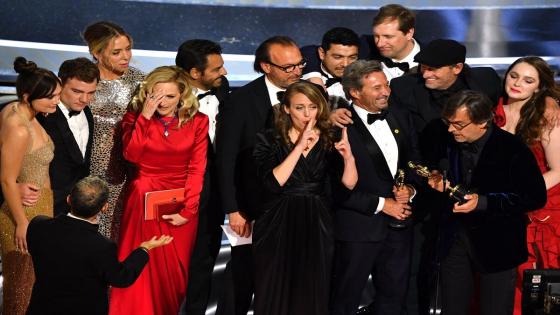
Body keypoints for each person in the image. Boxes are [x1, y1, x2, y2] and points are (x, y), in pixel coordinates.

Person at [388, 39, 502, 315]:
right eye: (423, 67)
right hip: (423, 187)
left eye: (433, 69)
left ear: (457, 68)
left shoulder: (487, 82)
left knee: (464, 270)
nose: (425, 73)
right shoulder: (404, 88)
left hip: (469, 193)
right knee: (417, 265)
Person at [426, 90, 547, 315]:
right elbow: (438, 168)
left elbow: (534, 196)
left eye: (458, 124)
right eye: (448, 122)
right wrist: (438, 182)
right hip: (454, 240)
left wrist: (483, 203)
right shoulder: (446, 140)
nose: (451, 129)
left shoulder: (512, 148)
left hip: (498, 243)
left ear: (482, 122)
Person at [215, 35, 304, 315]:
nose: (296, 71)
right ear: (266, 66)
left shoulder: (310, 97)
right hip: (253, 208)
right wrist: (233, 209)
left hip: (297, 207)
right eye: (287, 67)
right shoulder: (240, 101)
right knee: (243, 278)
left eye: (299, 65)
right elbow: (226, 159)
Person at [108, 66, 208, 315]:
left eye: (170, 96)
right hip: (143, 197)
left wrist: (189, 210)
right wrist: (145, 116)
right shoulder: (133, 119)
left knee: (174, 274)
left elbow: (197, 169)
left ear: (182, 96)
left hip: (181, 202)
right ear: (147, 94)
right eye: (156, 95)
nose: (162, 102)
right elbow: (132, 155)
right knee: (140, 265)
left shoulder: (198, 122)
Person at [253, 81, 357, 315]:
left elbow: (349, 184)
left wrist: (349, 158)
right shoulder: (269, 138)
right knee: (273, 283)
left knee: (313, 284)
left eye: (312, 107)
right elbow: (273, 182)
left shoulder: (331, 137)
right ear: (287, 109)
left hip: (317, 218)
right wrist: (299, 146)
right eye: (300, 108)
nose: (307, 114)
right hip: (278, 218)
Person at [330, 60, 421, 315]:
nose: (385, 92)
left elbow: (414, 159)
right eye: (376, 87)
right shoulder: (338, 126)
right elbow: (335, 188)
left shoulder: (400, 114)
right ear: (355, 93)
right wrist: (384, 205)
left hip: (399, 228)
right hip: (357, 228)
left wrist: (412, 189)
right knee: (344, 299)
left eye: (386, 85)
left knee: (393, 299)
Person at [26, 176, 173, 315]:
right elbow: (121, 278)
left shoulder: (38, 225)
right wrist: (144, 249)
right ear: (104, 207)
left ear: (69, 199)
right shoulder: (102, 246)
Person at [493, 56, 560, 315]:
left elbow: (558, 170)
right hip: (501, 209)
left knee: (542, 288)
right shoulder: (491, 111)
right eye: (514, 75)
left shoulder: (547, 114)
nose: (518, 83)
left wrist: (520, 194)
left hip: (543, 209)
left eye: (528, 80)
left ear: (539, 87)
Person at [0, 57, 61, 315]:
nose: (56, 101)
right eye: (51, 97)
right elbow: (6, 178)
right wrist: (23, 222)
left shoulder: (19, 109)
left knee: (33, 287)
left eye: (58, 95)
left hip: (41, 208)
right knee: (21, 291)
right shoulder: (19, 128)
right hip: (25, 214)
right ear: (27, 96)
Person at [175, 38, 230, 315]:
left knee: (205, 258)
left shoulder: (224, 91)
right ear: (195, 73)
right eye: (217, 69)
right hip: (178, 193)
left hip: (215, 192)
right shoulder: (167, 97)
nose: (225, 73)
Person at [83, 21, 145, 240]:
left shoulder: (138, 80)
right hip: (86, 169)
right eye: (116, 52)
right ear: (96, 53)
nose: (126, 56)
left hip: (125, 169)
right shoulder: (83, 78)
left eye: (128, 49)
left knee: (119, 233)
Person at [37, 57, 98, 216]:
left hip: (76, 209)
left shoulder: (87, 112)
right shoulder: (41, 116)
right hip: (44, 206)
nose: (85, 99)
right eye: (77, 91)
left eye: (91, 92)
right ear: (60, 83)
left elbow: (81, 164)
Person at [301, 27, 360, 109]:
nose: (346, 64)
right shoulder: (302, 79)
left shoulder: (364, 76)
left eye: (352, 57)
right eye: (338, 57)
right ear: (322, 53)